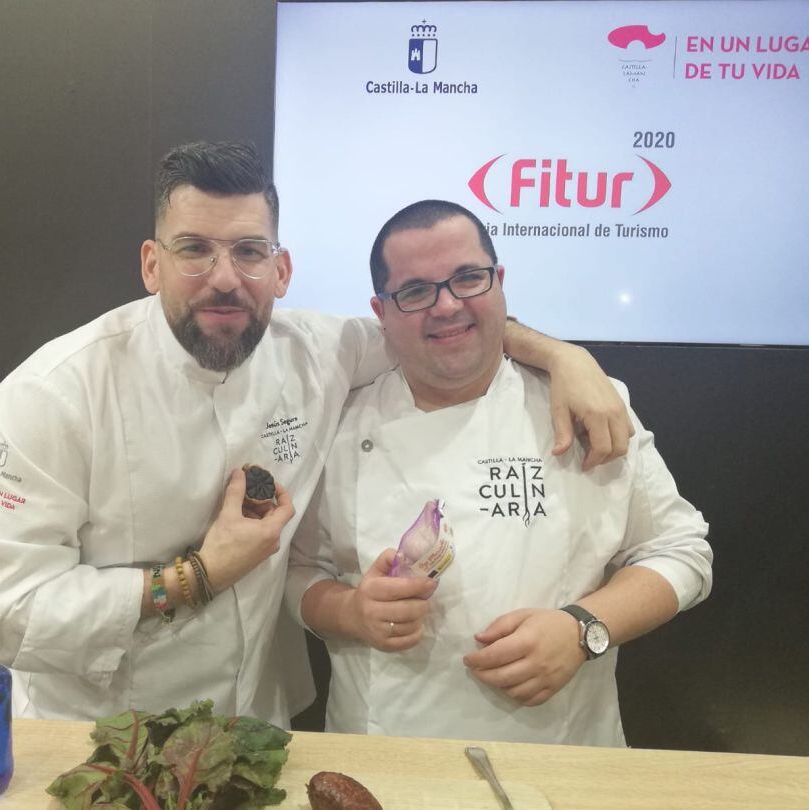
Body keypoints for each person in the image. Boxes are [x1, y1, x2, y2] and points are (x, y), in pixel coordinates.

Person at [0, 143, 632, 727]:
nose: (223, 279)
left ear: (281, 268)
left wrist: (562, 356)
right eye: (194, 251)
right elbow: (3, 614)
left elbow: (438, 326)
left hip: (257, 724)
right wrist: (198, 577)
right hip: (105, 732)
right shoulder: (54, 396)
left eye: (248, 251)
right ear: (151, 264)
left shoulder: (318, 350)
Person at [286, 200, 713, 745]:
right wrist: (351, 611)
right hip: (384, 759)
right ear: (382, 310)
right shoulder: (340, 425)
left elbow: (682, 552)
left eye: (468, 278)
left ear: (499, 283)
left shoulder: (589, 408)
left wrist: (583, 629)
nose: (446, 307)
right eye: (416, 291)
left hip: (559, 756)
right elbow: (297, 572)